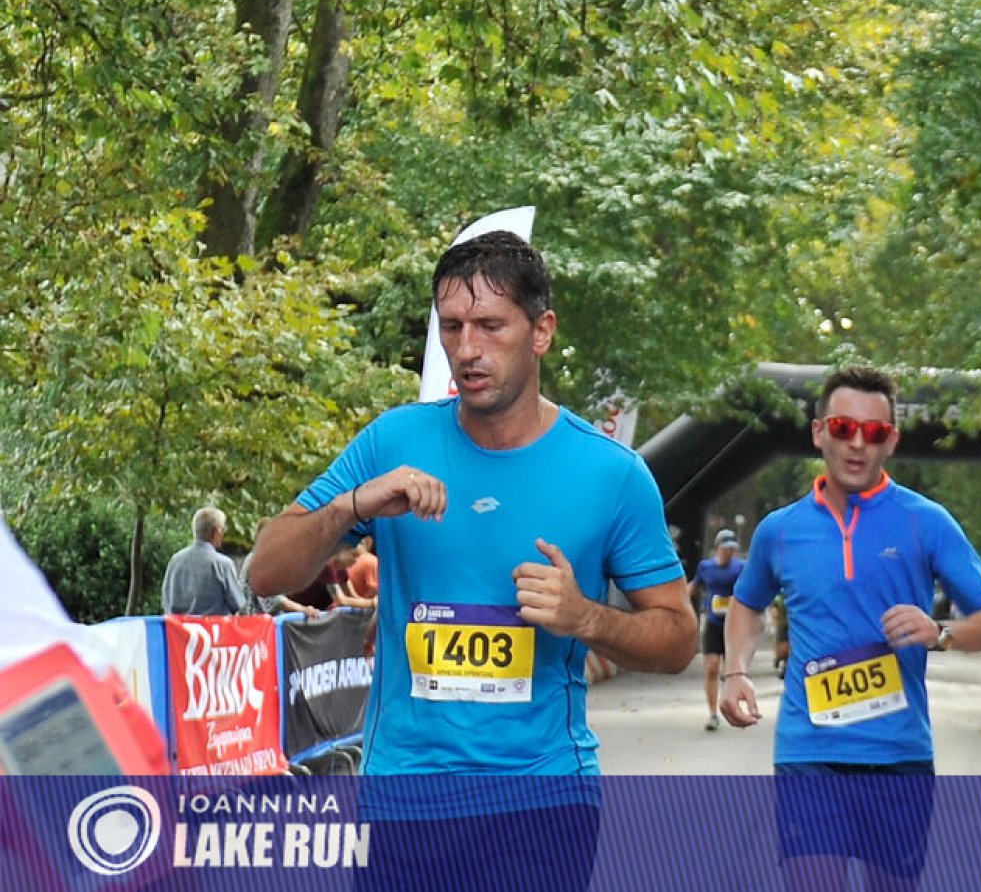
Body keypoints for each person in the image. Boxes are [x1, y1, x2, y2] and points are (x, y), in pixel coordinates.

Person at [248, 231, 694, 891]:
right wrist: (350, 506)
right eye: (451, 326)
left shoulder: (611, 474)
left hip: (540, 801)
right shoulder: (394, 442)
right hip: (404, 800)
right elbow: (264, 572)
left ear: (541, 332)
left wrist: (587, 618)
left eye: (490, 326)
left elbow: (678, 638)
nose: (466, 348)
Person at [719, 365, 981, 890]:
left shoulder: (925, 521)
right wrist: (735, 672)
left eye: (873, 432)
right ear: (819, 432)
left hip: (898, 756)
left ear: (891, 441)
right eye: (843, 428)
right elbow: (746, 604)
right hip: (809, 753)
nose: (857, 443)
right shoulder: (780, 531)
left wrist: (942, 633)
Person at [689, 528, 745, 730]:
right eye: (726, 548)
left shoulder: (741, 567)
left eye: (733, 549)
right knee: (712, 667)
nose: (730, 552)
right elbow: (693, 587)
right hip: (714, 623)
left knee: (733, 670)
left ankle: (735, 708)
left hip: (734, 625)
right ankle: (713, 714)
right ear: (718, 547)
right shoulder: (705, 567)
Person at [161, 506, 246, 616]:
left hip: (178, 626)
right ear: (216, 532)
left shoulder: (175, 561)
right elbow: (238, 604)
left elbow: (166, 601)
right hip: (213, 626)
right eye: (223, 529)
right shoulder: (223, 564)